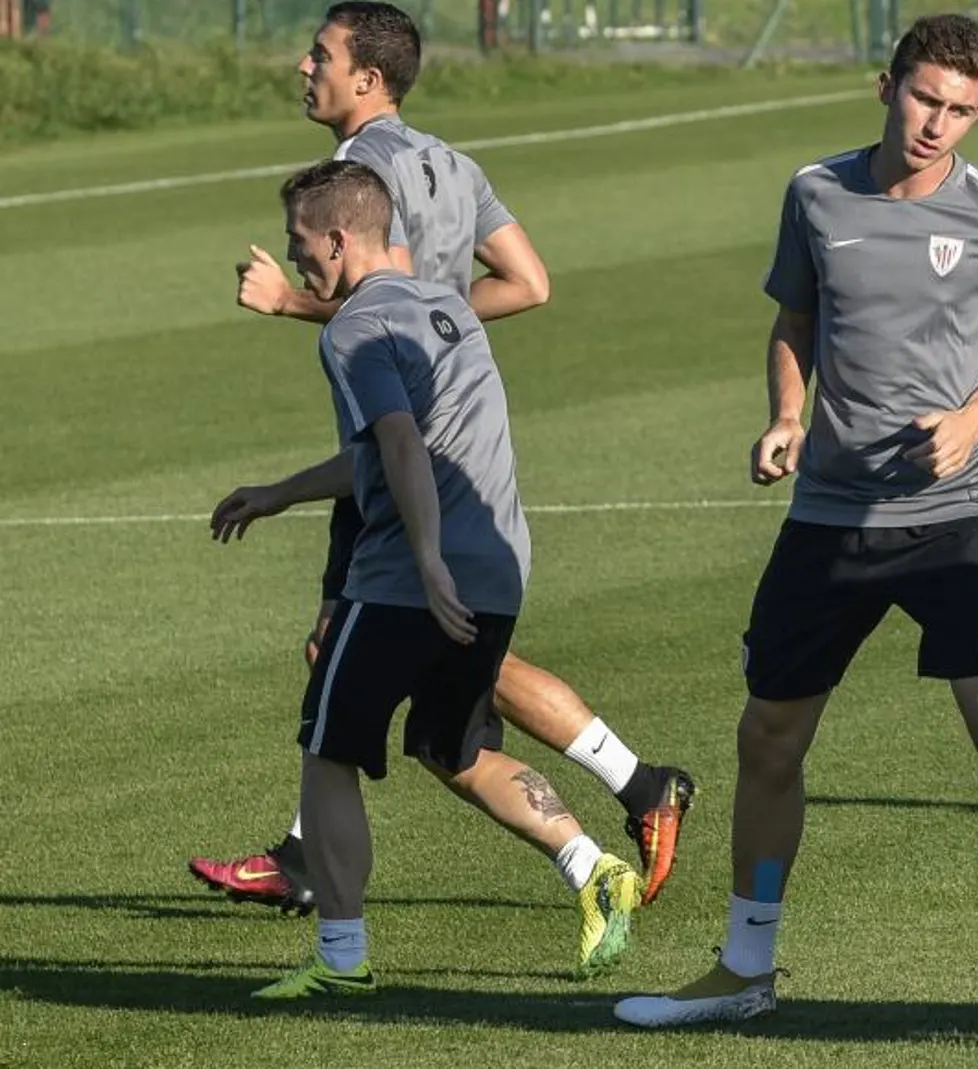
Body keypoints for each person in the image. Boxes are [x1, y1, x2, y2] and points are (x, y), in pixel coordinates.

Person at [612, 14, 978, 1029]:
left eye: (960, 110)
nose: (937, 124)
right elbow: (795, 321)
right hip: (827, 517)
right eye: (924, 99)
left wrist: (974, 418)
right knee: (768, 736)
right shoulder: (816, 194)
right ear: (885, 86)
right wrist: (784, 413)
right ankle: (745, 969)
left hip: (953, 519)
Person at [189, 1, 694, 920]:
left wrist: (293, 306)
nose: (304, 66)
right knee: (421, 648)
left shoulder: (352, 174)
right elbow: (528, 282)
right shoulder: (451, 162)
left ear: (366, 79)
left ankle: (324, 877)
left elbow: (383, 299)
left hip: (400, 444)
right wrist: (449, 325)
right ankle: (635, 784)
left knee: (374, 651)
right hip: (464, 435)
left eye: (321, 55)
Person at [237, 160, 640, 997]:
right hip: (498, 569)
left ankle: (342, 960)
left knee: (327, 751)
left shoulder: (349, 330)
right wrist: (280, 493)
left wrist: (423, 561)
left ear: (340, 239)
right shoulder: (451, 307)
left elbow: (399, 446)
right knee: (450, 746)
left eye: (300, 243)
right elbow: (390, 450)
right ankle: (591, 862)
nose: (296, 258)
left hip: (405, 579)